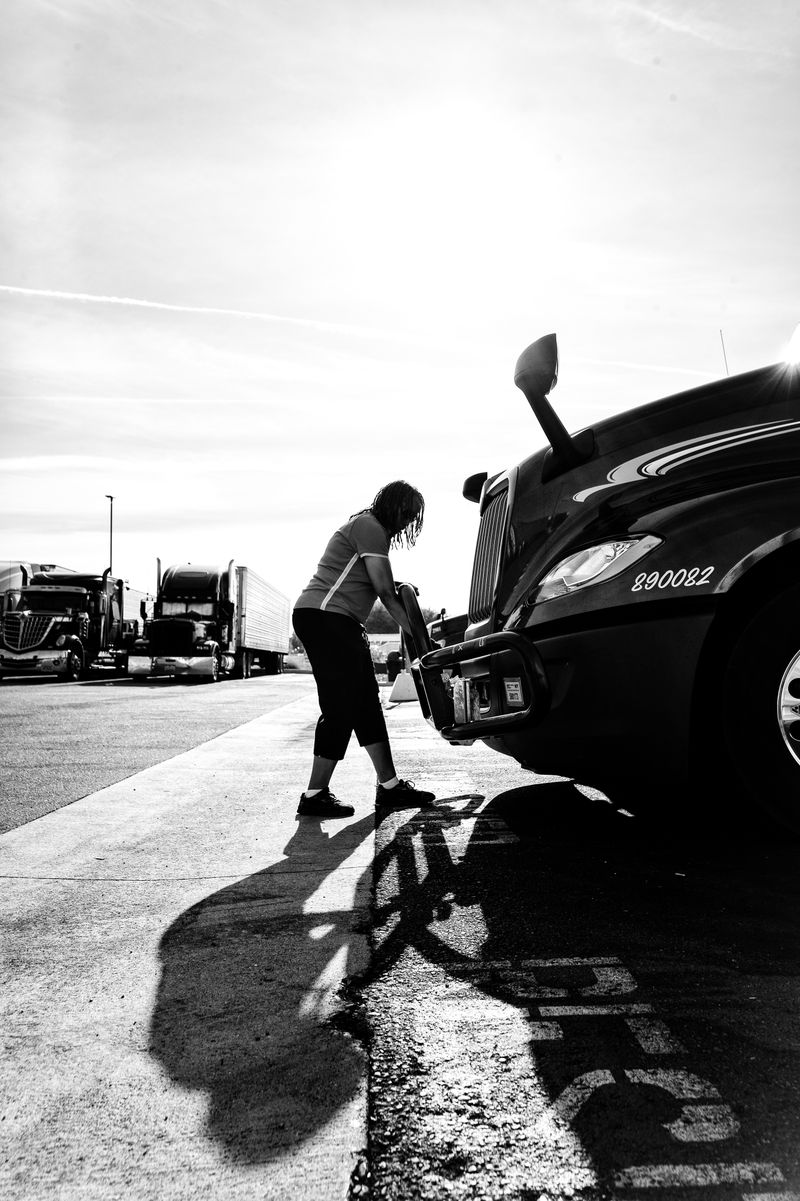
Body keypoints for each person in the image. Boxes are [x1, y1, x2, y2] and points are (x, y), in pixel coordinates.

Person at [292, 480, 436, 818]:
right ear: (391, 504)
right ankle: (315, 795)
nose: (408, 520)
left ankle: (389, 787)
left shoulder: (370, 529)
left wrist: (400, 588)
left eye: (413, 516)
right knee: (341, 704)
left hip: (335, 619)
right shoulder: (369, 527)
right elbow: (385, 593)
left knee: (366, 703)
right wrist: (420, 640)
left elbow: (377, 582)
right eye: (406, 512)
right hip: (326, 617)